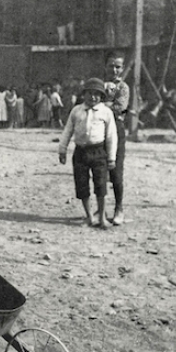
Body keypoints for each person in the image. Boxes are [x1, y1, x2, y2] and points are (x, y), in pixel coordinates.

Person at [58, 78, 117, 229]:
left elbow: (111, 136)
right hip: (80, 152)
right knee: (82, 184)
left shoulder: (106, 112)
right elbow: (68, 130)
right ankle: (89, 216)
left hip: (98, 152)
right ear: (84, 94)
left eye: (97, 94)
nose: (93, 97)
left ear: (102, 96)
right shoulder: (77, 111)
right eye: (90, 93)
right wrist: (62, 149)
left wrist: (111, 158)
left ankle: (102, 217)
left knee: (100, 184)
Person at [103, 52, 130, 225]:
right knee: (99, 171)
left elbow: (120, 107)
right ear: (106, 66)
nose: (114, 69)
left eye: (118, 66)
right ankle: (101, 208)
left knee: (116, 171)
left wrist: (102, 105)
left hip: (116, 129)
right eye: (111, 65)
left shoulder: (123, 87)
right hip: (99, 129)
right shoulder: (98, 85)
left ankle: (119, 208)